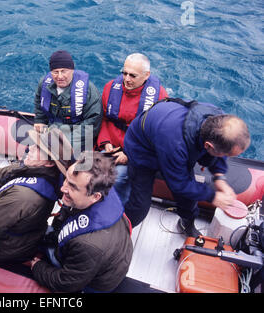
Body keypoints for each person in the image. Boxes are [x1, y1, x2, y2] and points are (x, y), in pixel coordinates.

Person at [123, 98, 251, 237]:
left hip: (173, 139)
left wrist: (219, 176)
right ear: (208, 146)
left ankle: (186, 224)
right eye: (227, 154)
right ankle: (121, 234)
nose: (227, 157)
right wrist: (213, 196)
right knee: (140, 205)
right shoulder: (176, 146)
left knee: (189, 199)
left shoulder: (219, 121)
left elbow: (219, 153)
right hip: (142, 149)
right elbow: (179, 184)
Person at [0, 128, 74, 262]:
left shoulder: (24, 197)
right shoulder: (42, 172)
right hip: (24, 235)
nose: (30, 148)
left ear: (49, 163)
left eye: (38, 148)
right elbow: (1, 173)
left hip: (0, 246)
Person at [30, 151, 133, 293]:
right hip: (100, 259)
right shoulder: (102, 190)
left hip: (93, 283)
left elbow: (65, 283)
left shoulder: (89, 245)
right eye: (66, 179)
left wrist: (38, 267)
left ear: (94, 197)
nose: (63, 188)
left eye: (72, 187)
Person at [97, 53, 168, 205]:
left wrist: (129, 154)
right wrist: (105, 142)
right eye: (125, 73)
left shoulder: (159, 97)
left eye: (133, 76)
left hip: (136, 151)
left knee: (117, 177)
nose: (127, 79)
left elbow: (156, 136)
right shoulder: (110, 88)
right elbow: (104, 119)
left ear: (146, 75)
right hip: (111, 146)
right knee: (91, 171)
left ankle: (117, 210)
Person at [33, 50, 102, 156]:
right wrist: (40, 120)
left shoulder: (89, 91)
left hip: (78, 136)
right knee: (30, 153)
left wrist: (66, 141)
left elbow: (93, 123)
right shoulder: (44, 84)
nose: (59, 76)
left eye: (63, 71)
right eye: (55, 72)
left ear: (72, 70)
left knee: (62, 161)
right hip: (53, 130)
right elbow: (39, 102)